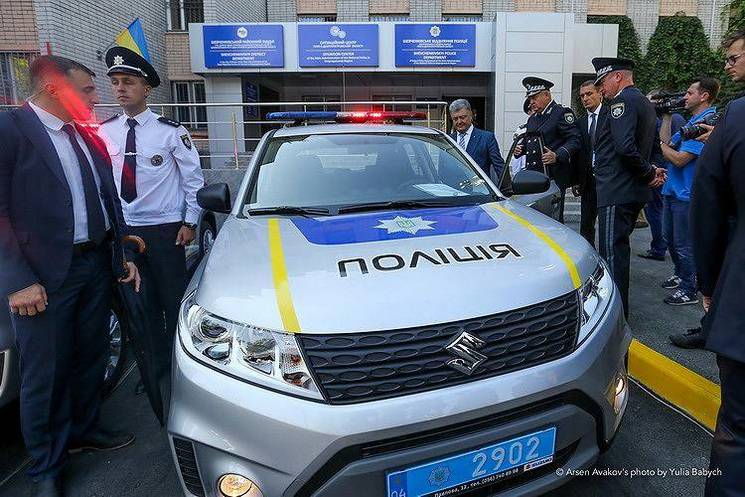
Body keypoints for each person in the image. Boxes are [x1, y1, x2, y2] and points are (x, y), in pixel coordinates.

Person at [0, 56, 140, 497]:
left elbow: (106, 198)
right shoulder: (9, 131)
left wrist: (120, 254)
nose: (96, 98)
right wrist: (17, 280)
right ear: (53, 89)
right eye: (87, 90)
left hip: (93, 265)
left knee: (90, 356)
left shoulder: (83, 134)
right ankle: (46, 465)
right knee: (45, 374)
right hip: (42, 279)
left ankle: (83, 429)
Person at [98, 47, 204, 387]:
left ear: (146, 89)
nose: (120, 88)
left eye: (128, 82)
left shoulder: (170, 131)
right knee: (140, 304)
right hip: (125, 231)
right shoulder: (104, 131)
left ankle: (178, 366)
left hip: (165, 230)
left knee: (171, 300)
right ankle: (154, 366)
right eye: (115, 82)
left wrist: (190, 222)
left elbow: (193, 180)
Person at [691, 28, 745, 497]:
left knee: (737, 434)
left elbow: (707, 207)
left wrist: (709, 286)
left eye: (733, 57)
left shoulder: (737, 116)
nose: (727, 66)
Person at [591, 57, 665, 319]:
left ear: (618, 77)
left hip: (616, 189)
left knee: (612, 254)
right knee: (619, 251)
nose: (601, 88)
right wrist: (653, 170)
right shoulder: (644, 102)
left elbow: (624, 147)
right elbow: (653, 146)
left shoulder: (622, 102)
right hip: (632, 191)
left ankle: (615, 316)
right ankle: (618, 311)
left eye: (603, 81)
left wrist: (648, 173)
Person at [659, 77, 719, 310]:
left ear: (704, 96)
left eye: (689, 93)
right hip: (673, 190)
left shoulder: (706, 122)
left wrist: (660, 146)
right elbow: (668, 142)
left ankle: (689, 288)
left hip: (687, 194)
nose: (684, 97)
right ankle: (680, 274)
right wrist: (666, 116)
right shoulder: (692, 121)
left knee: (684, 245)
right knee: (670, 239)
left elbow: (679, 159)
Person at [513, 77, 581, 223]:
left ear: (546, 95)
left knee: (552, 221)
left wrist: (557, 155)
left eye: (534, 97)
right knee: (534, 220)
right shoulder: (532, 119)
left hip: (553, 177)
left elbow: (575, 140)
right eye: (529, 98)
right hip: (534, 177)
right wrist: (520, 149)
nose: (531, 102)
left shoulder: (561, 113)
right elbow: (530, 141)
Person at [637, 92, 685, 261]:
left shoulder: (661, 120)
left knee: (655, 209)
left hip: (660, 169)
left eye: (649, 101)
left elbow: (668, 144)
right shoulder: (676, 118)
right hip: (668, 169)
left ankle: (659, 248)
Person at [573, 80, 602, 247]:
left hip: (607, 180)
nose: (585, 98)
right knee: (586, 225)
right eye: (582, 96)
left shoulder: (610, 117)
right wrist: (576, 180)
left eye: (589, 94)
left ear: (600, 93)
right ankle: (588, 254)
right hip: (588, 182)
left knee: (607, 225)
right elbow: (578, 154)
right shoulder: (581, 123)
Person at [448, 98, 505, 182]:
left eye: (462, 117)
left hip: (480, 188)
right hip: (453, 189)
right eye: (455, 119)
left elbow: (499, 167)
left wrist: (508, 188)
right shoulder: (448, 140)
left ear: (471, 115)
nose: (459, 122)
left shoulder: (487, 138)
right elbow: (443, 169)